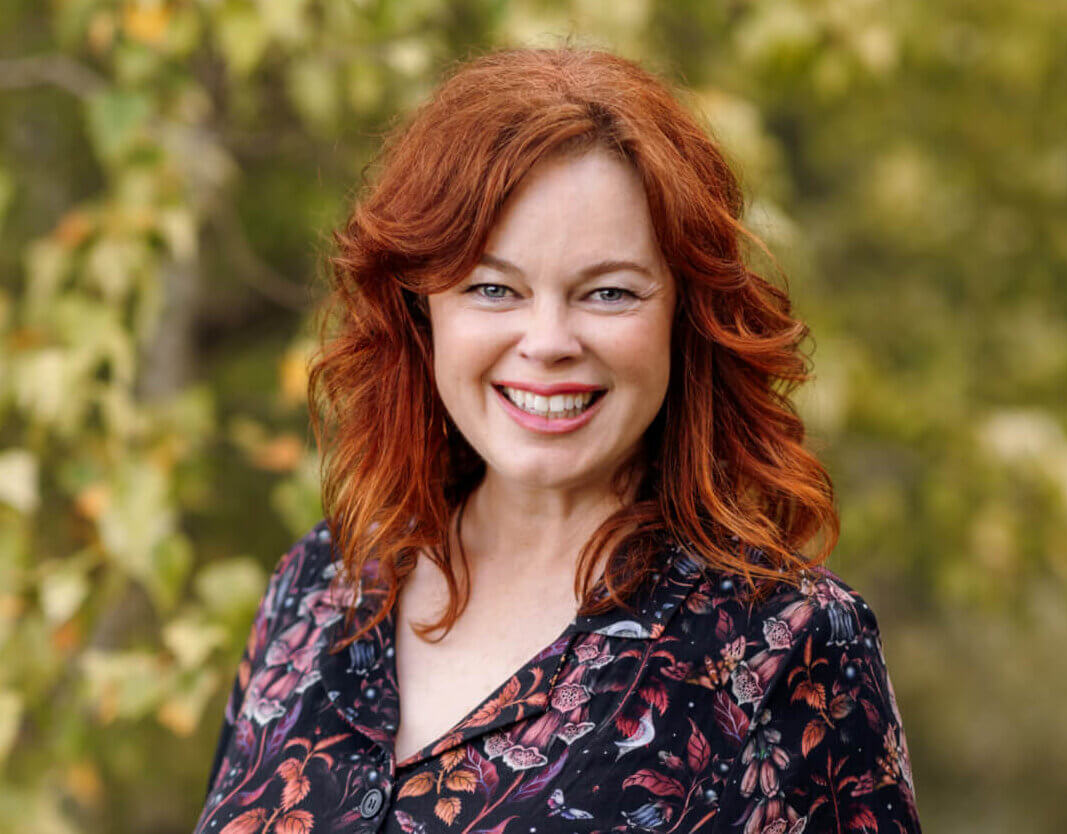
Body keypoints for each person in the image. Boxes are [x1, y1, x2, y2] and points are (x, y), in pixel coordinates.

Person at [192, 48, 920, 834]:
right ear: (420, 310)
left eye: (607, 292)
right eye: (492, 288)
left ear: (684, 316)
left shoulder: (787, 646)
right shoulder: (317, 588)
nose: (546, 342)